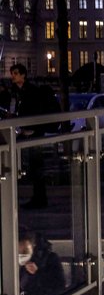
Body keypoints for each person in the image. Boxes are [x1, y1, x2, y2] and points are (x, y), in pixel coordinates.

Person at [10, 63, 55, 209]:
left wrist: (32, 129)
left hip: (34, 132)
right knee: (34, 166)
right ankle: (39, 198)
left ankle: (40, 199)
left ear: (23, 75)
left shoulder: (30, 91)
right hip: (29, 131)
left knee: (36, 166)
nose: (13, 76)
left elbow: (36, 111)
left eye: (16, 73)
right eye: (12, 73)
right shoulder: (19, 91)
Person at [19, 227, 66, 295]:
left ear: (33, 245)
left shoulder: (50, 259)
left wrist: (38, 273)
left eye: (25, 251)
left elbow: (59, 286)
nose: (21, 255)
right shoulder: (10, 264)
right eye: (18, 251)